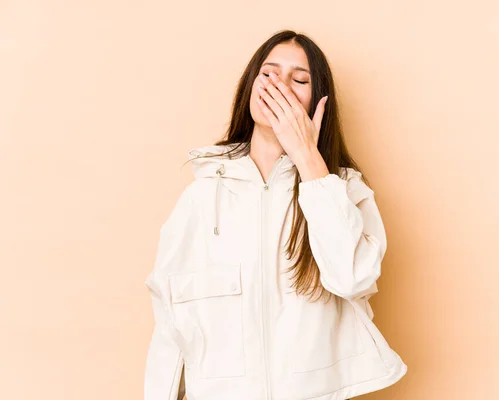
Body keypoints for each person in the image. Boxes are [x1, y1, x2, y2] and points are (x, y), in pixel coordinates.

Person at [143, 29, 407, 400]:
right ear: (250, 86)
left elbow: (353, 278)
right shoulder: (202, 196)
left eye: (299, 79)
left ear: (318, 103)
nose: (279, 86)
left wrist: (308, 159)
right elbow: (170, 318)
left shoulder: (343, 191)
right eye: (268, 74)